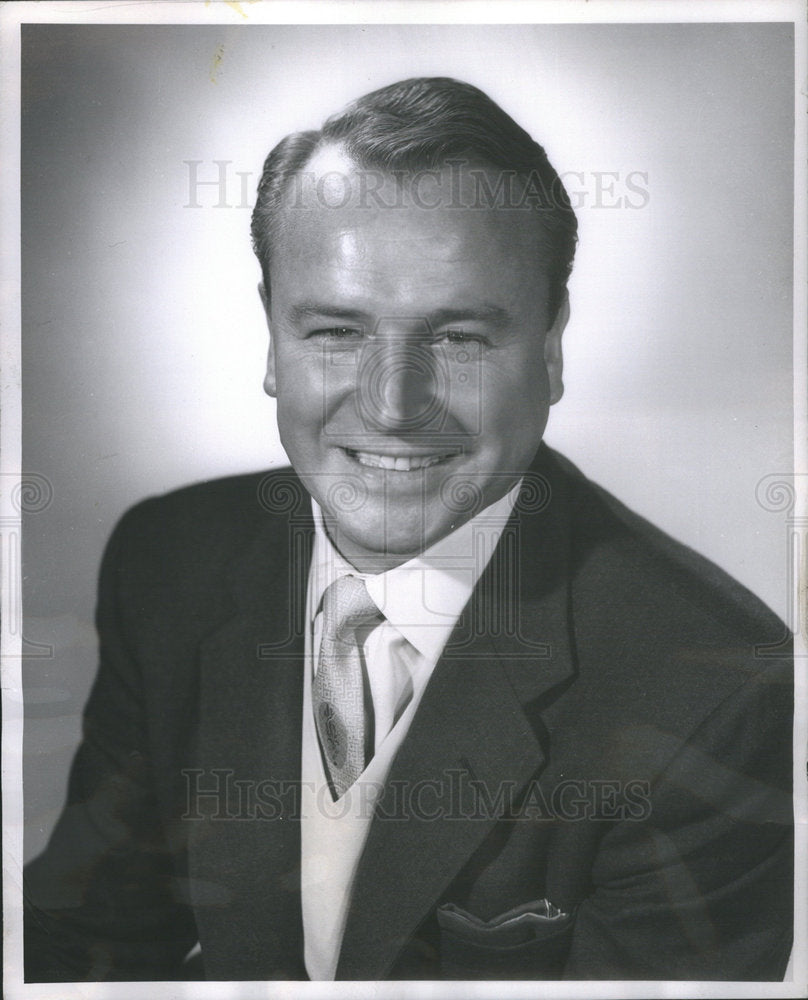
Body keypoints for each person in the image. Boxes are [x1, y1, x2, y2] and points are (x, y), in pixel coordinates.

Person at [24, 77, 793, 982]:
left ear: (551, 349)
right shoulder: (170, 563)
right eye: (337, 331)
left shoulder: (715, 688)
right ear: (272, 341)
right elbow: (84, 944)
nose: (393, 408)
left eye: (460, 337)